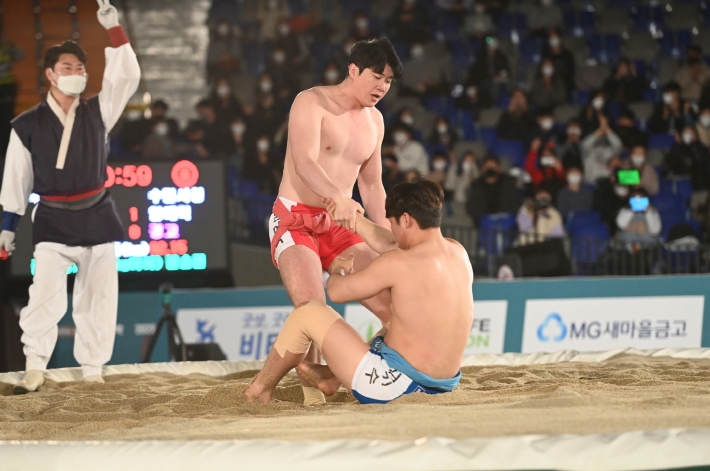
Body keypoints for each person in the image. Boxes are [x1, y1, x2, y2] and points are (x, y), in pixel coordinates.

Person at [0, 1, 140, 393]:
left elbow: (125, 76)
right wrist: (7, 227)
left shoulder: (99, 111)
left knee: (98, 299)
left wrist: (115, 30)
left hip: (96, 214)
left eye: (81, 68)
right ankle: (35, 366)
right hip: (53, 219)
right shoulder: (26, 125)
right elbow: (16, 180)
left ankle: (93, 368)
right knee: (43, 295)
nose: (76, 74)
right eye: (68, 68)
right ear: (49, 74)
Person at [243, 180, 473, 404]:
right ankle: (330, 376)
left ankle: (260, 387)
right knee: (404, 317)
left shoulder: (400, 261)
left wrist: (338, 270)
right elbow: (389, 244)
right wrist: (353, 217)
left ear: (406, 219)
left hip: (396, 386)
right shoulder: (458, 252)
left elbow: (337, 293)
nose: (393, 235)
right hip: (443, 386)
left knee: (307, 312)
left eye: (392, 225)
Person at [267, 38, 403, 405]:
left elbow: (372, 186)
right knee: (311, 310)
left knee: (392, 307)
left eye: (388, 81)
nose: (382, 87)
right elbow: (304, 162)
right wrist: (337, 198)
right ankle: (311, 389)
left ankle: (375, 369)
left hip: (343, 223)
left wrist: (393, 240)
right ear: (353, 70)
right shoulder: (311, 102)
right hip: (296, 218)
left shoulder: (375, 121)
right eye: (378, 77)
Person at [465, 155, 521, 226]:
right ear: (483, 169)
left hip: (506, 222)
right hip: (485, 223)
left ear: (499, 168)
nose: (490, 169)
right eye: (488, 167)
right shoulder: (476, 186)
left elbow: (515, 204)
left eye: (493, 167)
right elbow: (472, 207)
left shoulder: (509, 184)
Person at [664, 125, 710, 200]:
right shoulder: (676, 148)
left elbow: (702, 164)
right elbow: (669, 165)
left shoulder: (701, 148)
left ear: (695, 135)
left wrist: (693, 146)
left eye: (689, 132)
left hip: (700, 184)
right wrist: (679, 145)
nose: (687, 135)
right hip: (682, 181)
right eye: (685, 133)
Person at [580, 114, 623, 183]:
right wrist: (600, 130)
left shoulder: (611, 150)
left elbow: (618, 145)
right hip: (591, 184)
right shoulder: (588, 150)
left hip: (609, 183)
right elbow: (585, 144)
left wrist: (606, 128)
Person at [593, 156, 628, 235]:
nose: (616, 167)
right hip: (610, 219)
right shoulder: (603, 183)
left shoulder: (630, 181)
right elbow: (597, 204)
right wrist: (611, 183)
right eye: (613, 165)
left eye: (618, 164)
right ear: (608, 167)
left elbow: (639, 198)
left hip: (628, 217)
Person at [542, 29, 575, 96]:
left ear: (559, 38)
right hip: (551, 85)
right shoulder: (546, 55)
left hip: (566, 85)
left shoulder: (567, 55)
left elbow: (571, 71)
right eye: (551, 38)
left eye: (555, 37)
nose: (553, 39)